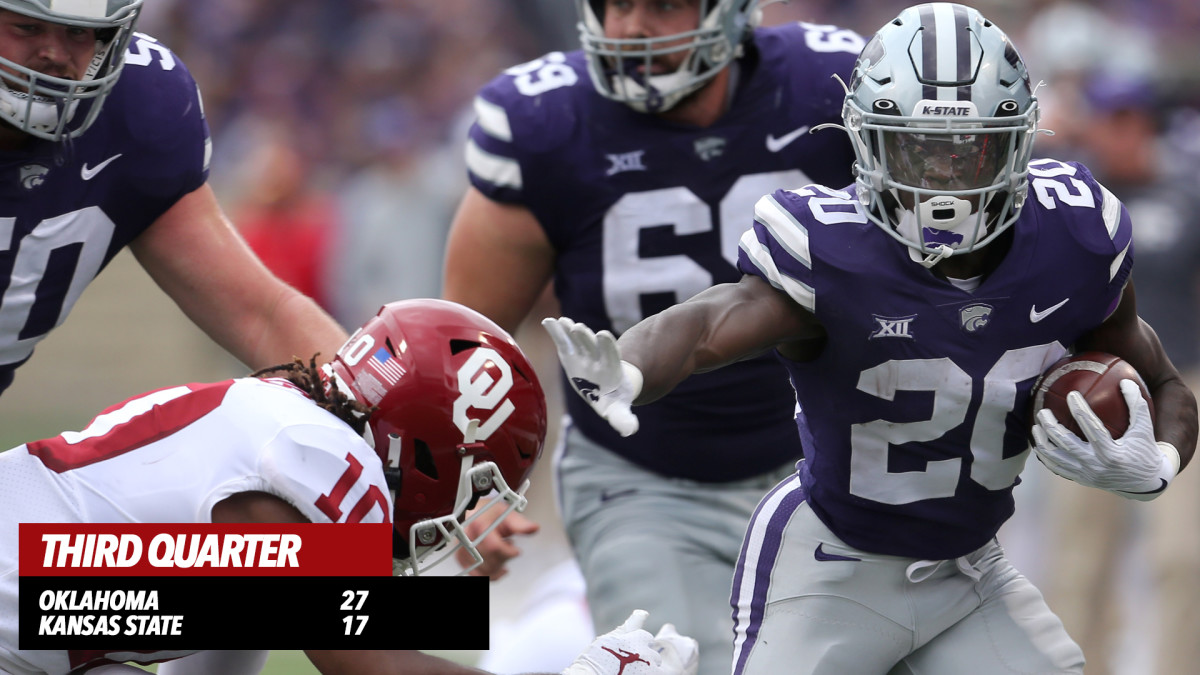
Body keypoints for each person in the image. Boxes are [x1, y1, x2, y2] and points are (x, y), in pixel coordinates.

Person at [541, 3, 1199, 673]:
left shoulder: (1075, 236)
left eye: (966, 150)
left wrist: (1160, 464)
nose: (941, 181)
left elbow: (1165, 379)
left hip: (969, 574)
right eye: (917, 148)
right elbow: (712, 321)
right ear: (866, 140)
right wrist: (632, 366)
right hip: (829, 568)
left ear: (1018, 140)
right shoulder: (834, 248)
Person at [442, 2, 863, 671]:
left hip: (824, 467)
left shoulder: (836, 88)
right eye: (616, 5)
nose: (630, 29)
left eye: (662, 4)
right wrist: (461, 492)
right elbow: (468, 342)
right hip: (641, 476)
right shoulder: (546, 123)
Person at [0, 298, 698, 675]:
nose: (465, 510)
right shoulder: (318, 458)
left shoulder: (286, 426)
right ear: (436, 451)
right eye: (478, 481)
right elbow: (374, 668)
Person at [0, 0, 347, 397]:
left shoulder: (138, 103)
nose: (55, 54)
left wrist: (371, 407)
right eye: (27, 28)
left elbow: (262, 317)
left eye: (78, 31)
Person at [1036, 72, 1200, 675]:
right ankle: (1085, 666)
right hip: (1088, 392)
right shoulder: (1073, 201)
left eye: (1132, 120)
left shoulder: (1188, 193)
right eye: (1111, 119)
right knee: (1081, 559)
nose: (1121, 133)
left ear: (1148, 124)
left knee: (1181, 556)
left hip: (1179, 382)